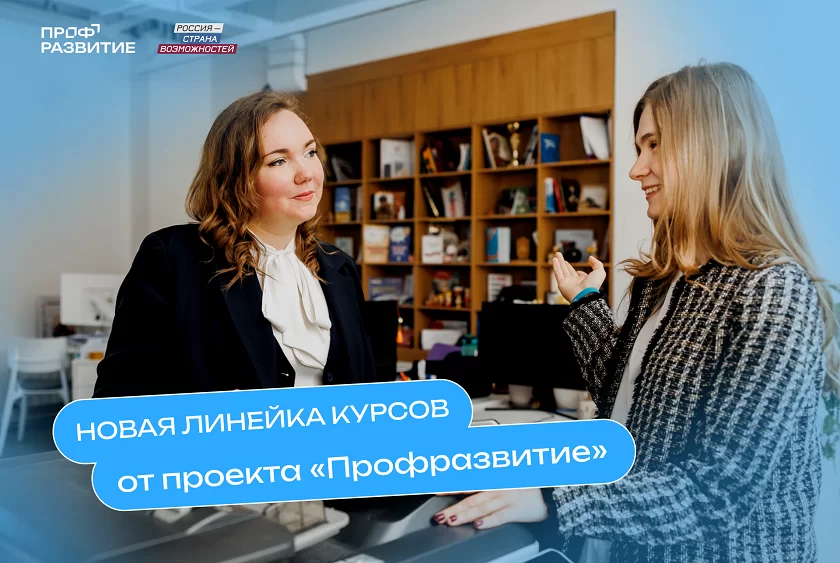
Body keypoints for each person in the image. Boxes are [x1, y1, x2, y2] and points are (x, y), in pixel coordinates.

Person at [433, 62, 837, 562]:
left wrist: (553, 499)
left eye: (654, 145)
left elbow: (716, 492)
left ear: (713, 147)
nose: (635, 169)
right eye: (638, 148)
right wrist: (585, 304)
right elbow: (627, 402)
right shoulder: (663, 280)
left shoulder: (772, 291)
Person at [93, 91, 376, 398]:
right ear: (235, 178)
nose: (306, 174)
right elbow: (118, 397)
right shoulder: (173, 259)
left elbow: (367, 393)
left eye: (310, 153)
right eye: (278, 161)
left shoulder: (339, 266)